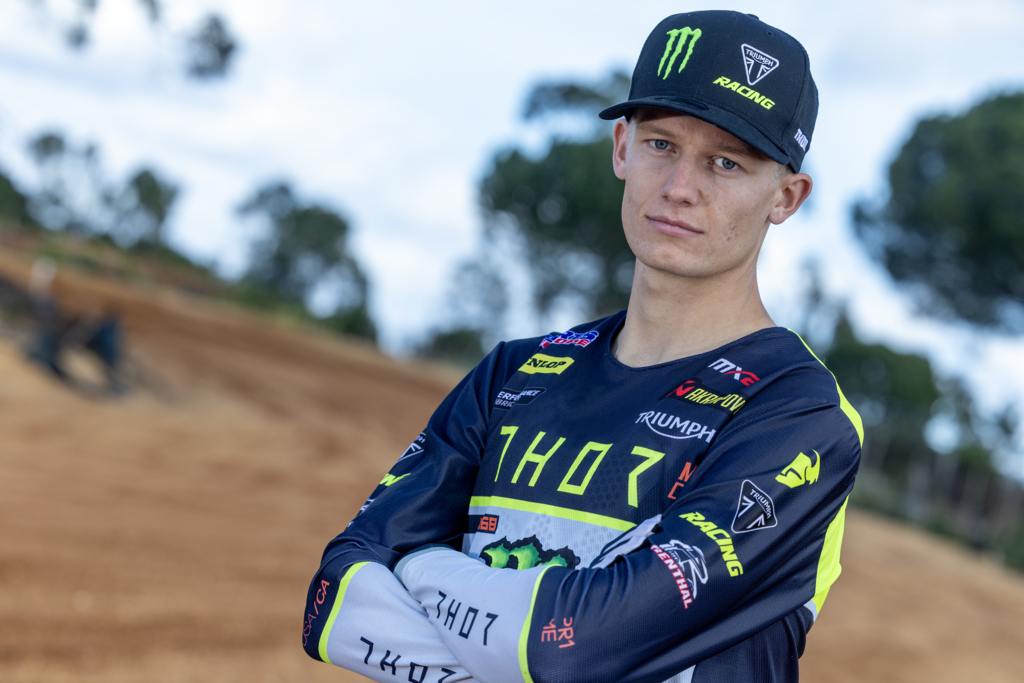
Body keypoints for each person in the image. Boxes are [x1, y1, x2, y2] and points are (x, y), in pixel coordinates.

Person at [303, 11, 861, 683]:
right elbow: (333, 604)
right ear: (622, 148)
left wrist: (418, 568)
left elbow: (570, 649)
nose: (679, 188)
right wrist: (520, 631)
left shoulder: (800, 414)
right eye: (661, 145)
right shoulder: (513, 374)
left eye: (725, 162)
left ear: (786, 197)